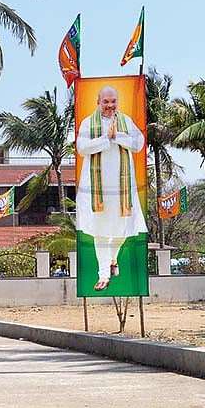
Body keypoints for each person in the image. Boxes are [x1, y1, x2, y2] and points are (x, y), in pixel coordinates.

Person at [75, 86, 146, 291]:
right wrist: (106, 138)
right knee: (100, 232)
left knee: (123, 230)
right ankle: (103, 275)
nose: (109, 105)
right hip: (98, 190)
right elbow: (82, 148)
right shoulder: (88, 123)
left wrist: (117, 136)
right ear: (98, 103)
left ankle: (113, 259)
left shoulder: (126, 122)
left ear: (117, 102)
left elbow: (138, 144)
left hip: (122, 189)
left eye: (113, 101)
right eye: (105, 101)